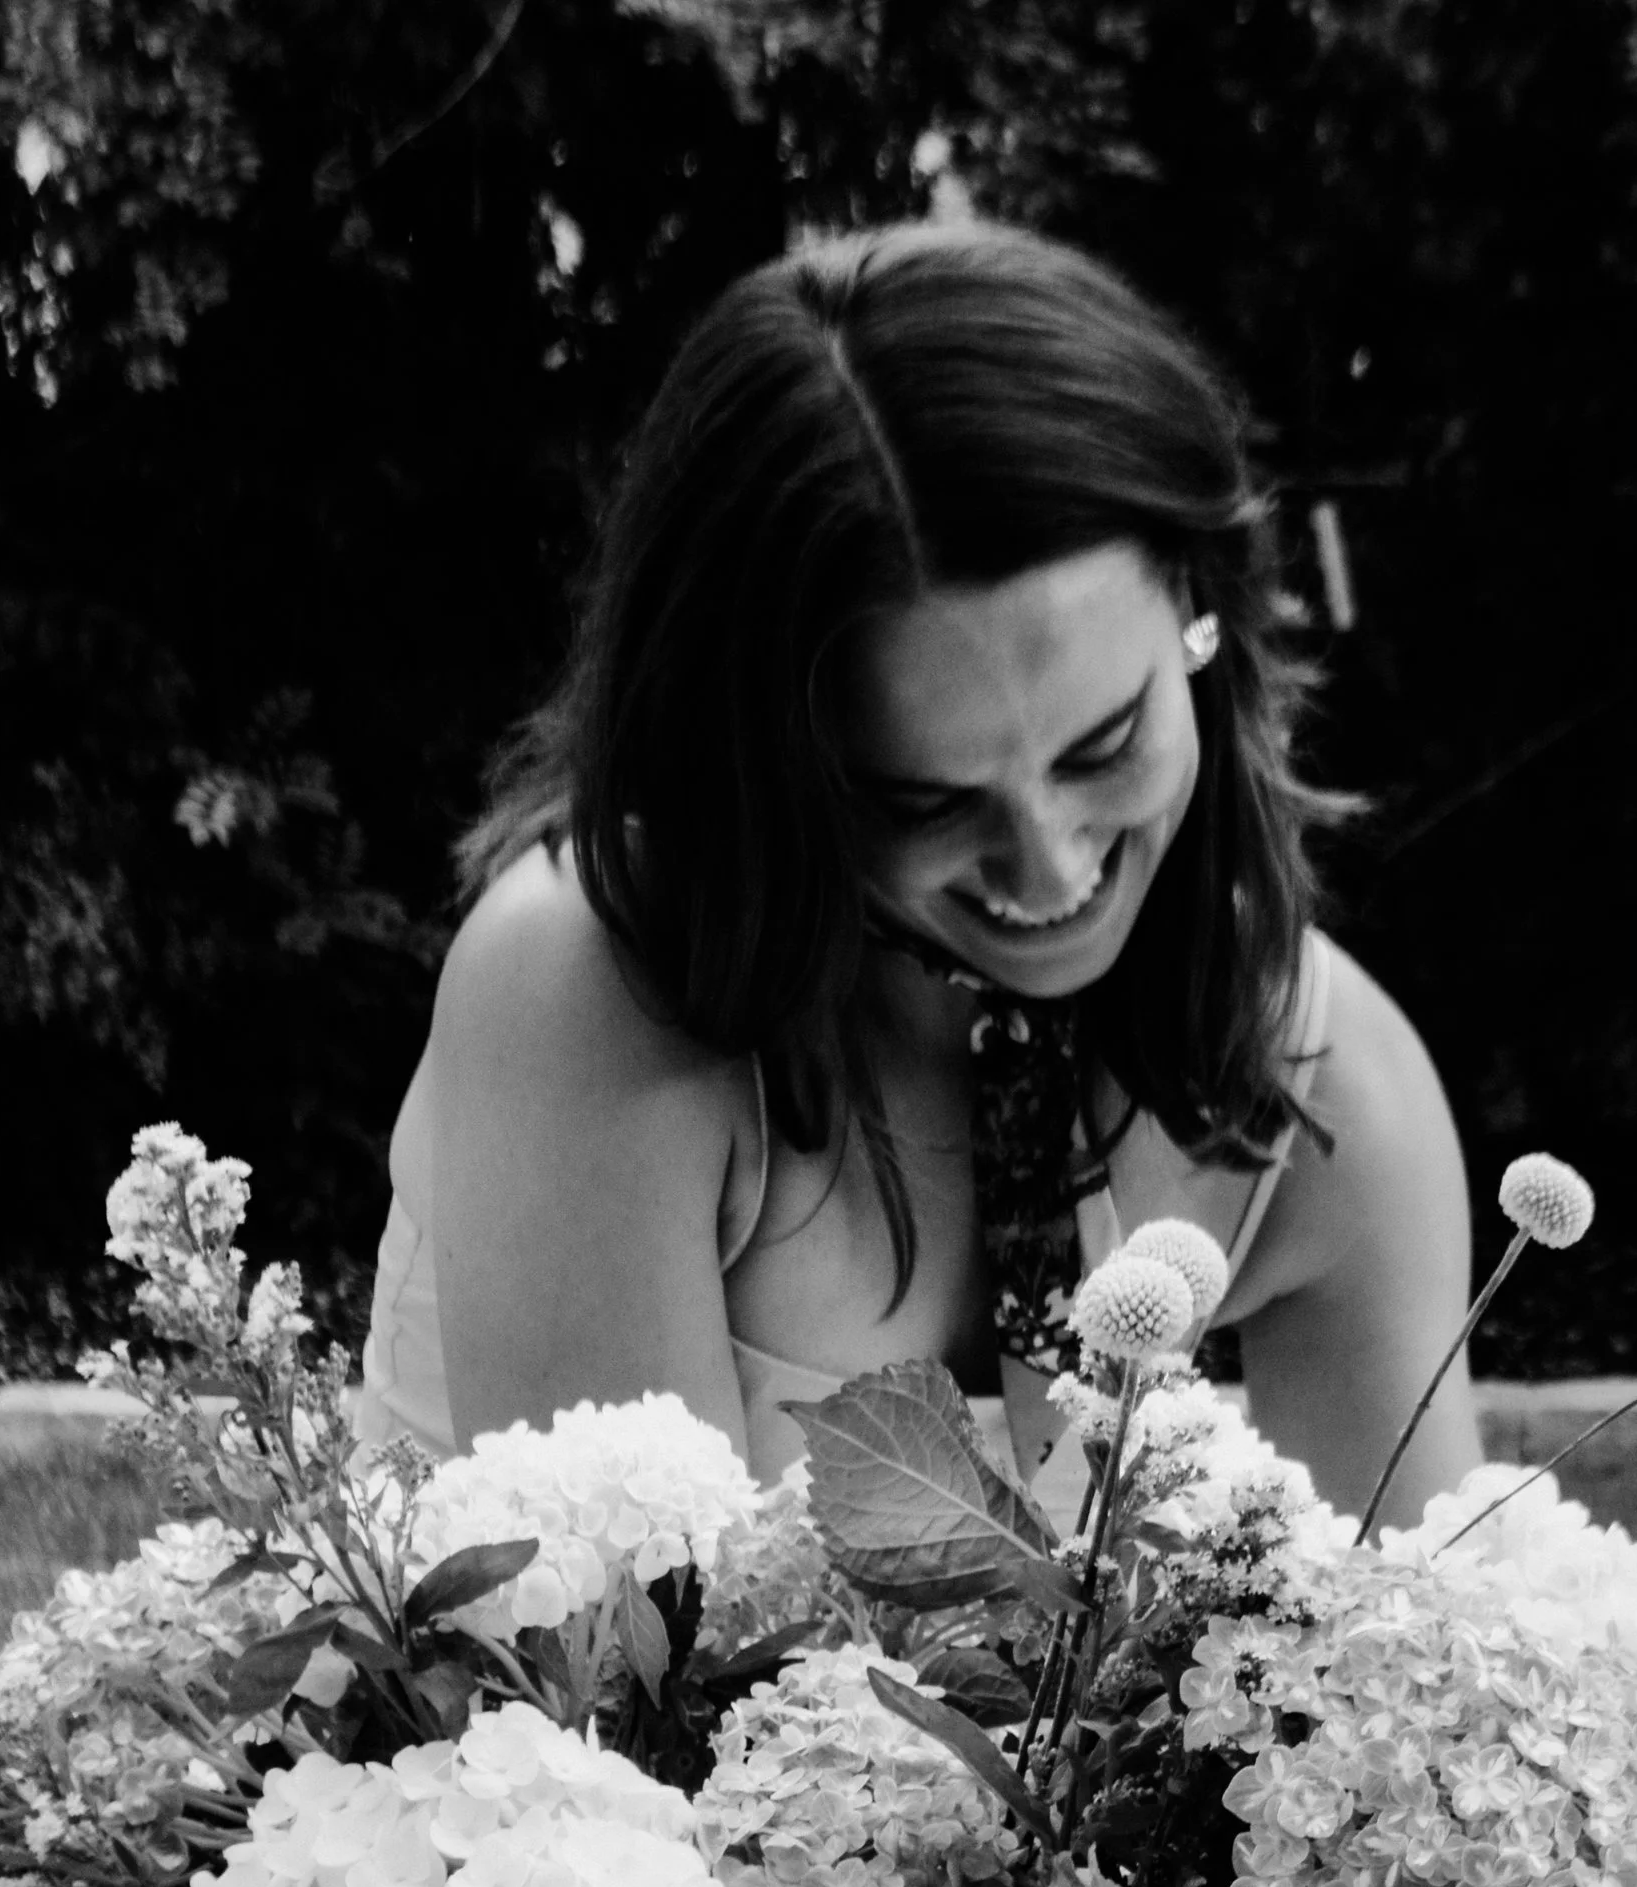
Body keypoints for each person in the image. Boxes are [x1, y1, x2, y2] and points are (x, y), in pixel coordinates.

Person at [360, 219, 1481, 1526]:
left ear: (1199, 613)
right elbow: (612, 1695)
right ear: (765, 758)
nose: (1049, 864)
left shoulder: (1330, 1081)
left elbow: (1424, 1676)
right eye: (925, 802)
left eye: (1103, 744)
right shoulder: (590, 985)